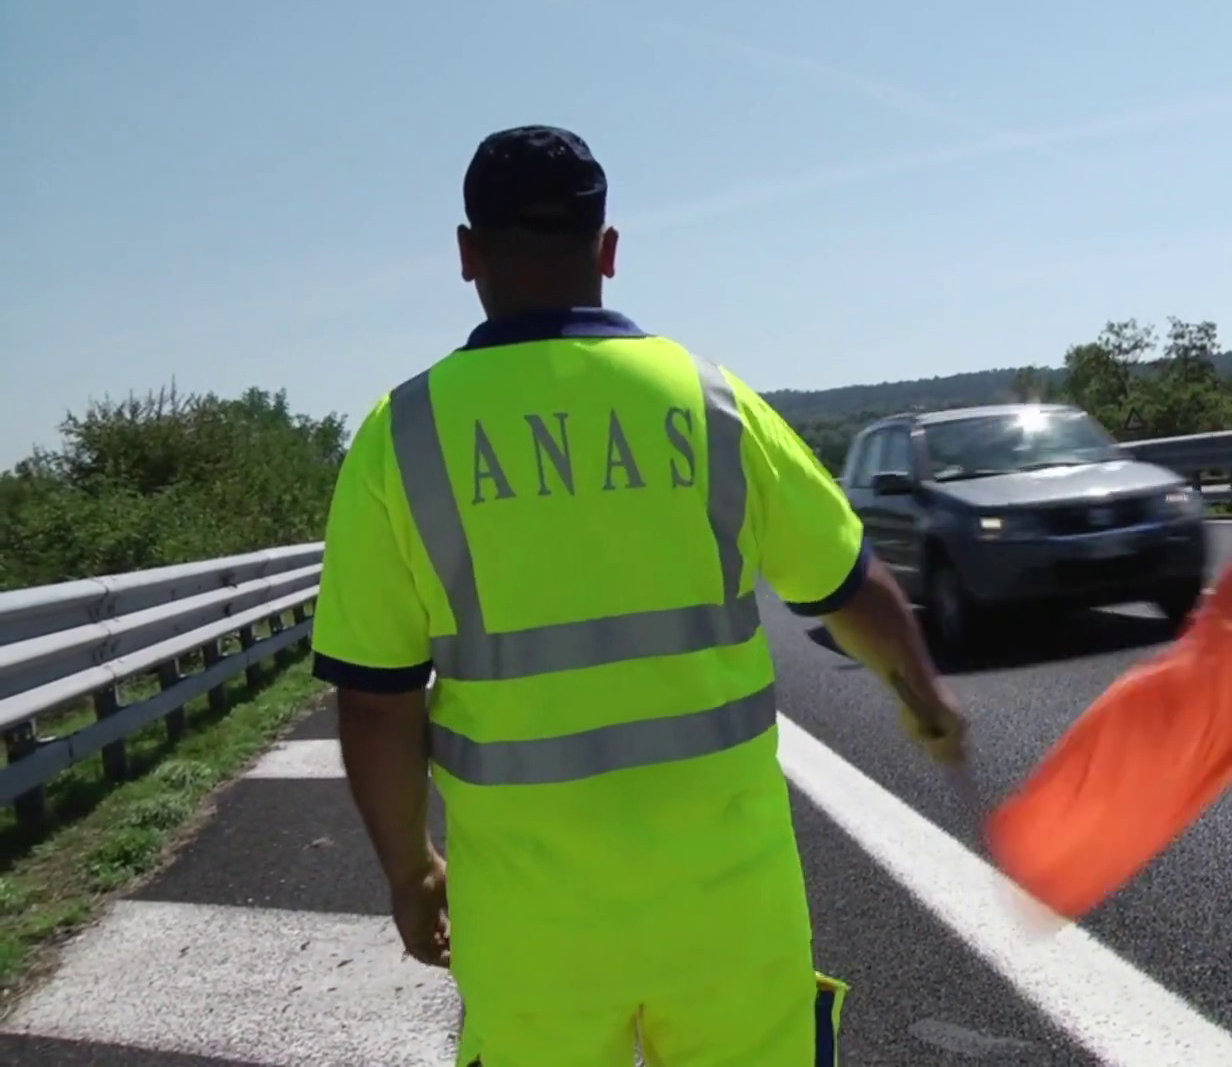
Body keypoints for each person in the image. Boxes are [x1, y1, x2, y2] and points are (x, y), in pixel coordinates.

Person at [308, 123, 968, 1067]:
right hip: (731, 917)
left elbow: (377, 704)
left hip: (532, 936)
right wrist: (924, 702)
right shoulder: (710, 402)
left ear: (466, 253)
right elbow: (850, 589)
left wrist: (412, 874)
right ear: (608, 250)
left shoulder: (401, 436)